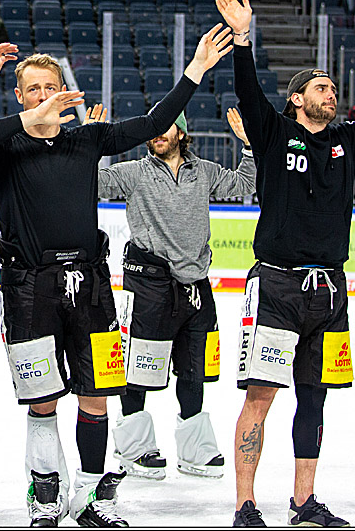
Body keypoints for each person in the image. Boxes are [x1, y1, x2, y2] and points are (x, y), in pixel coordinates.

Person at [0, 25, 226, 527]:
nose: (42, 96)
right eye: (32, 89)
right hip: (28, 288)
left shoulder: (87, 140)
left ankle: (91, 497)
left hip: (91, 288)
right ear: (20, 96)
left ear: (64, 91)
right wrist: (24, 118)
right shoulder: (6, 146)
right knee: (41, 402)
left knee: (97, 395)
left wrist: (195, 72)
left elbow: (153, 122)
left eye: (49, 87)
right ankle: (44, 496)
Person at [214, 0, 355, 528]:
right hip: (277, 287)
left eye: (333, 87)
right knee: (261, 397)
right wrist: (242, 38)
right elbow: (249, 91)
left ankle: (304, 501)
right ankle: (245, 504)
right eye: (322, 88)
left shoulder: (348, 141)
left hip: (329, 290)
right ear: (299, 98)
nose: (332, 93)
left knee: (315, 398)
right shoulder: (275, 133)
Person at [98, 106, 254, 483]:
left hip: (196, 287)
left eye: (166, 126)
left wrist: (249, 147)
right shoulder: (134, 172)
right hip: (148, 285)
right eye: (153, 127)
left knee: (193, 370)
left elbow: (244, 184)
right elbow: (96, 184)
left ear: (182, 133)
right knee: (139, 370)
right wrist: (94, 141)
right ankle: (134, 447)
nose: (158, 133)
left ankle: (195, 449)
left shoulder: (205, 173)